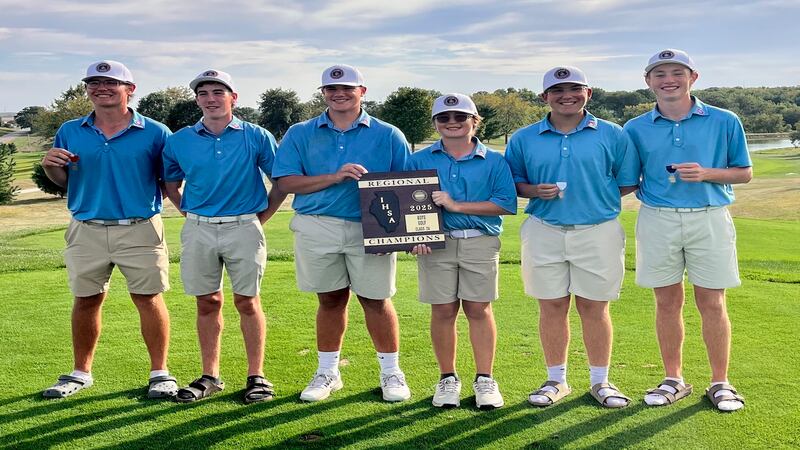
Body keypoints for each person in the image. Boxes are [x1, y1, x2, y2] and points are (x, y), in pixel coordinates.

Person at [272, 64, 411, 402]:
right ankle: (328, 372)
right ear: (323, 94)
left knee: (376, 300)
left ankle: (391, 372)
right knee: (330, 299)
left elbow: (409, 185)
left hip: (375, 226)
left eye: (348, 88)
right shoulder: (300, 132)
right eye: (331, 89)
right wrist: (334, 177)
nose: (339, 94)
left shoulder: (388, 133)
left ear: (362, 91)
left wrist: (407, 235)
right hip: (318, 224)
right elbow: (285, 181)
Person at [623, 49, 751, 412]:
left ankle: (720, 382)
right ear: (648, 82)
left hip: (709, 216)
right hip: (657, 218)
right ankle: (673, 379)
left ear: (692, 77)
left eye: (676, 72)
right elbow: (628, 179)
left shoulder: (724, 120)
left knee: (712, 301)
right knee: (666, 302)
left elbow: (743, 172)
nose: (668, 79)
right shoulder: (634, 128)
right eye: (659, 73)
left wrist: (708, 173)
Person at [505, 66, 640, 408]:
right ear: (544, 97)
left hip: (598, 230)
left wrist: (595, 201)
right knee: (551, 306)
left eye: (575, 88)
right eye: (558, 90)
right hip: (543, 228)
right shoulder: (523, 138)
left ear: (588, 93)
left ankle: (600, 382)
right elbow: (513, 184)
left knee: (594, 307)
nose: (567, 95)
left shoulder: (613, 133)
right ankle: (556, 380)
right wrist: (535, 190)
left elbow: (626, 181)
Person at [40, 60, 176, 399]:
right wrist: (49, 167)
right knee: (86, 300)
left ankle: (160, 373)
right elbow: (64, 181)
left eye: (110, 82)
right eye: (93, 83)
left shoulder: (157, 132)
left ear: (130, 90)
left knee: (148, 299)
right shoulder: (71, 129)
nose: (100, 88)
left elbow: (168, 179)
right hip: (86, 227)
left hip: (140, 228)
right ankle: (80, 373)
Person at [162, 70, 287, 403]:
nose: (211, 98)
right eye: (203, 93)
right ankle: (210, 376)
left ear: (234, 97)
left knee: (247, 301)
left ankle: (257, 377)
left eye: (219, 91)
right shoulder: (179, 140)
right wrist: (188, 212)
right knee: (207, 302)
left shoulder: (256, 135)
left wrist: (262, 217)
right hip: (199, 229)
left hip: (245, 226)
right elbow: (170, 183)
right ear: (197, 100)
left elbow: (280, 181)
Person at [407, 93, 517, 410]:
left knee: (478, 310)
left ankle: (485, 379)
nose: (452, 123)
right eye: (444, 118)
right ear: (435, 123)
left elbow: (505, 204)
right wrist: (416, 234)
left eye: (460, 117)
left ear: (474, 120)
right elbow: (408, 203)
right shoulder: (419, 160)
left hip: (479, 241)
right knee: (442, 311)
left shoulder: (495, 160)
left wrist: (457, 205)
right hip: (435, 244)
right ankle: (447, 379)